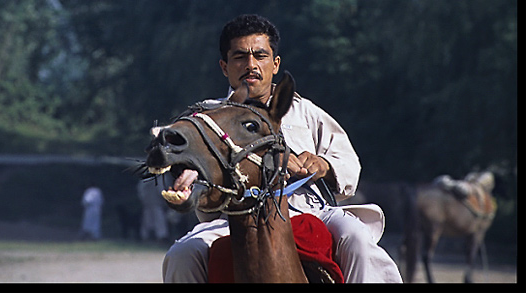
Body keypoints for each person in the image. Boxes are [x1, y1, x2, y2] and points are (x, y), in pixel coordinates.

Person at [161, 14, 403, 283]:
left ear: (275, 64)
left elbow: (348, 164)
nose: (250, 65)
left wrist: (323, 165)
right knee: (181, 254)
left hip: (310, 210)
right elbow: (189, 162)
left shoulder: (306, 111)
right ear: (224, 66)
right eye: (240, 57)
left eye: (260, 56)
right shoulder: (209, 117)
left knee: (356, 239)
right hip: (233, 219)